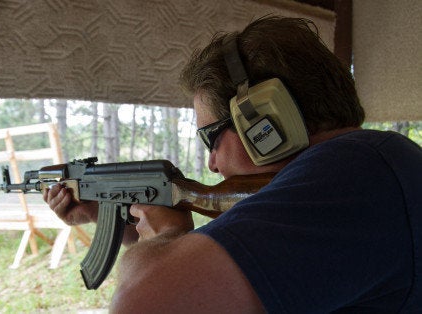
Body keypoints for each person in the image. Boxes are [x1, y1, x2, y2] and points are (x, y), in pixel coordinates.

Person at [44, 16, 422, 313]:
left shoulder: (353, 173)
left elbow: (144, 303)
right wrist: (111, 217)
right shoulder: (373, 168)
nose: (210, 163)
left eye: (211, 137)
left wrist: (165, 238)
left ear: (264, 123)